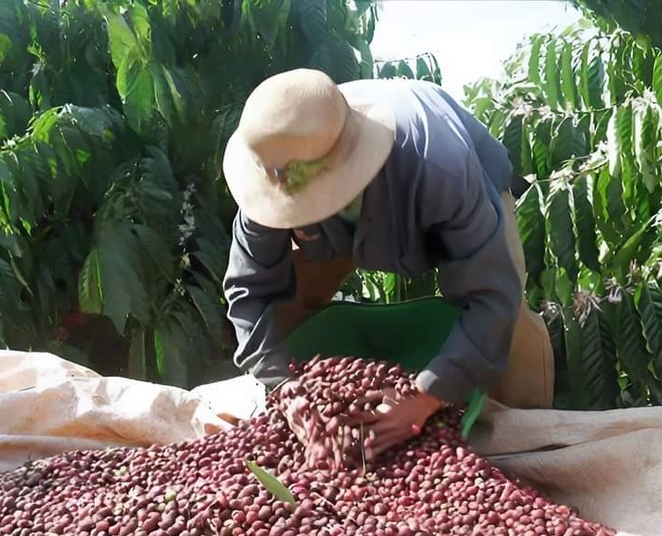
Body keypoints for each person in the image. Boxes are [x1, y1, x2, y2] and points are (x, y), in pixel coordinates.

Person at [221, 69, 554, 458]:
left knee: (507, 326)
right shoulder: (273, 174)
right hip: (348, 223)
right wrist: (283, 389)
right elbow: (249, 294)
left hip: (450, 190)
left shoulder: (441, 166)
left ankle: (529, 437)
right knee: (286, 310)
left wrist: (425, 396)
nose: (306, 213)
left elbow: (491, 299)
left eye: (317, 203)